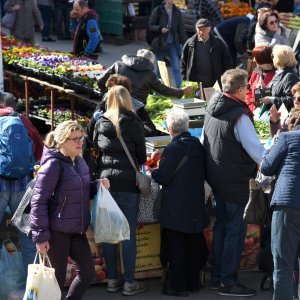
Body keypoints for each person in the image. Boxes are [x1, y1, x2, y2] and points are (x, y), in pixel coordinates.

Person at [202, 69, 266, 297]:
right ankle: (228, 282)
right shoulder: (238, 115)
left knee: (221, 227)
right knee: (234, 232)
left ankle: (218, 277)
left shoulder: (212, 107)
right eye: (247, 87)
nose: (249, 90)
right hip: (236, 182)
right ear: (239, 90)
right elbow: (257, 152)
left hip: (218, 179)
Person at [30, 120, 110, 299]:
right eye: (74, 139)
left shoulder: (80, 161)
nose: (80, 142)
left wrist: (98, 186)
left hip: (77, 228)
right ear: (62, 141)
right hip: (57, 232)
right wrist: (41, 235)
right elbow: (38, 201)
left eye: (81, 138)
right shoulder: (52, 165)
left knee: (88, 273)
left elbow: (80, 189)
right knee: (55, 282)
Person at [93, 85, 147, 296]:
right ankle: (130, 282)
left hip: (105, 183)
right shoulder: (133, 123)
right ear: (127, 100)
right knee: (127, 233)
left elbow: (95, 149)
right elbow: (142, 156)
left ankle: (112, 280)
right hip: (128, 184)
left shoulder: (100, 123)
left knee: (108, 232)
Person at [151, 109, 208, 297]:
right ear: (187, 126)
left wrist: (154, 172)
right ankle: (193, 283)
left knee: (176, 247)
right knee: (193, 244)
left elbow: (164, 177)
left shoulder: (172, 149)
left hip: (175, 205)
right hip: (195, 203)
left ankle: (178, 286)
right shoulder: (199, 147)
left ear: (170, 129)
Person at [97, 49, 193, 136]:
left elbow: (101, 81)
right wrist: (182, 91)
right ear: (150, 62)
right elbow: (165, 91)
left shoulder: (118, 64)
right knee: (150, 130)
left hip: (111, 103)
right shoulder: (150, 75)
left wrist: (108, 94)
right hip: (135, 109)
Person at [0, 92, 43, 275]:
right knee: (27, 237)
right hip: (22, 185)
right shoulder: (21, 119)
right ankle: (31, 287)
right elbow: (39, 147)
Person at [260, 108, 300, 300]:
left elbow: (266, 166)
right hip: (290, 203)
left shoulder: (288, 138)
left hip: (288, 205)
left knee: (283, 264)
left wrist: (273, 144)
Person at [181, 18, 233, 88]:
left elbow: (227, 62)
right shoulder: (190, 44)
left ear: (209, 29)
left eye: (204, 29)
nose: (201, 32)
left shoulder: (218, 44)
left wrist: (226, 79)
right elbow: (183, 63)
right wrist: (184, 81)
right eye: (199, 29)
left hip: (215, 83)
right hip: (196, 84)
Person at [148, 0, 186, 88]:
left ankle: (179, 88)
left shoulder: (177, 12)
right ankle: (158, 88)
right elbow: (150, 26)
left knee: (176, 67)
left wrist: (186, 44)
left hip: (173, 43)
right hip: (160, 43)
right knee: (160, 67)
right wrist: (160, 29)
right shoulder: (158, 10)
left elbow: (181, 29)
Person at [260, 45, 299, 112]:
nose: (272, 58)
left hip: (280, 117)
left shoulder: (290, 75)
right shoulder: (280, 71)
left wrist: (271, 100)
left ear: (279, 58)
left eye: (273, 56)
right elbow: (276, 92)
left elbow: (291, 100)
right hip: (272, 115)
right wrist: (265, 89)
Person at [245, 45, 276, 112]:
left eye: (255, 57)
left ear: (262, 58)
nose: (253, 60)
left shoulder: (277, 75)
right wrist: (250, 106)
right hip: (252, 111)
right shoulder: (256, 70)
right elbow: (249, 91)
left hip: (267, 114)